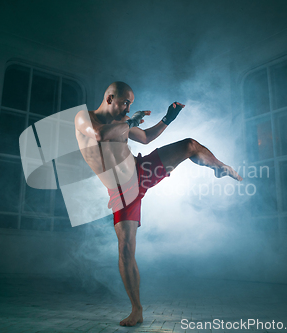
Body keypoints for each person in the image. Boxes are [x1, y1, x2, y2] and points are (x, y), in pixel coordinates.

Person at [74, 81, 242, 327]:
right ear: (109, 99)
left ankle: (219, 167)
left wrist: (167, 118)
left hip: (142, 170)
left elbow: (145, 138)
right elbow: (99, 135)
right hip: (123, 191)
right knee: (126, 248)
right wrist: (129, 123)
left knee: (189, 145)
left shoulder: (123, 122)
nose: (128, 108)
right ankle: (137, 310)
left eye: (130, 104)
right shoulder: (84, 117)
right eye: (125, 103)